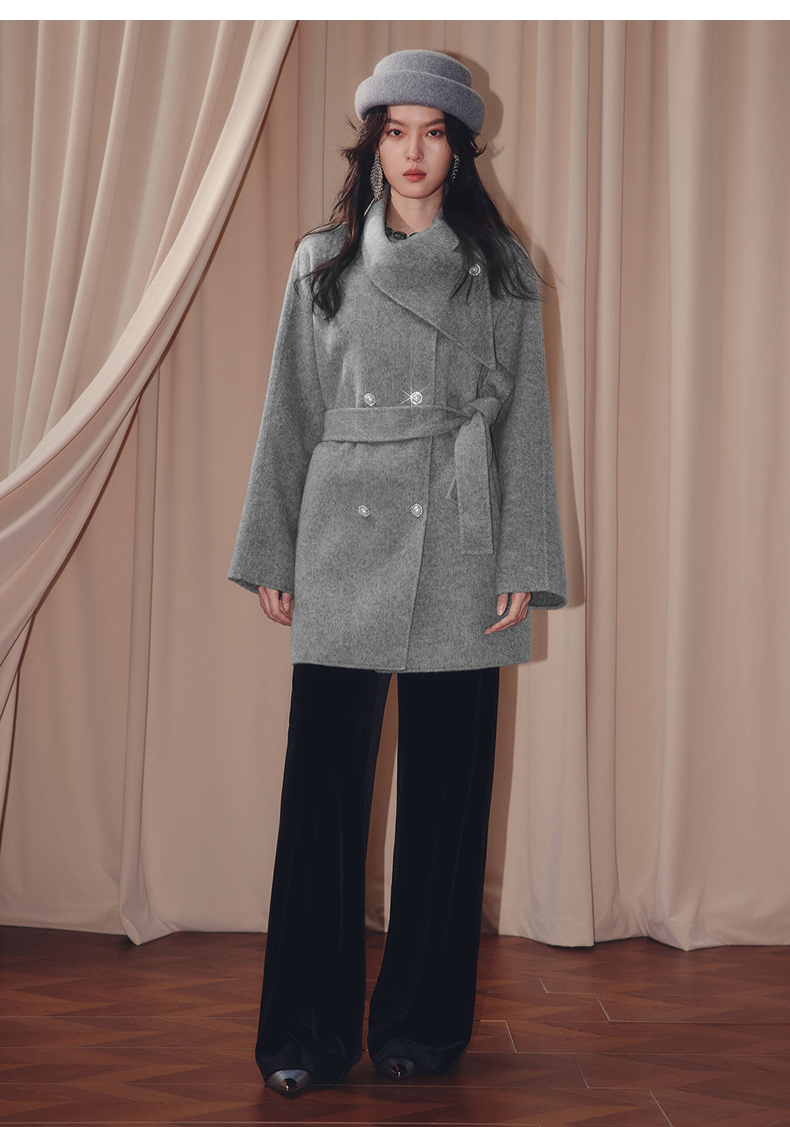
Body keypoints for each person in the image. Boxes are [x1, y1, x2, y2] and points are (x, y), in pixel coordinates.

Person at [229, 49, 566, 1096]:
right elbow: (289, 411)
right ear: (372, 144)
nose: (413, 152)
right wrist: (272, 546)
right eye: (394, 130)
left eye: (433, 134)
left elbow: (524, 426)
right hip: (343, 532)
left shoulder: (503, 269)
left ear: (460, 150)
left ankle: (421, 1025)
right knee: (321, 801)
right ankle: (305, 1032)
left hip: (460, 533)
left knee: (445, 802)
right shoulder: (320, 261)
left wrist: (521, 556)